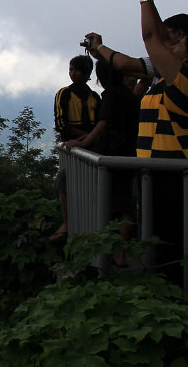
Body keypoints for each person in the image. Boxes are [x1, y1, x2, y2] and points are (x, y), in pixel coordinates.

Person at [85, 0, 188, 304]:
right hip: (161, 171)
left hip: (177, 172)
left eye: (177, 43)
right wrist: (100, 48)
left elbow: (151, 37)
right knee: (174, 240)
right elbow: (151, 45)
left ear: (187, 56)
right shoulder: (171, 78)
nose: (170, 45)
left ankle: (185, 307)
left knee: (175, 242)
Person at [64, 59, 142, 265]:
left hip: (112, 154)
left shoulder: (110, 95)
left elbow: (102, 124)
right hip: (130, 153)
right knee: (126, 202)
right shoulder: (130, 96)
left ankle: (111, 252)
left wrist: (83, 142)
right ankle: (120, 251)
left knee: (111, 200)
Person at [51, 54, 101, 241]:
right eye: (71, 69)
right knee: (66, 183)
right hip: (76, 148)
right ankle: (69, 223)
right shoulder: (64, 94)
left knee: (84, 187)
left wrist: (83, 139)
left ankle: (78, 226)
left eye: (76, 70)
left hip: (86, 148)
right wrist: (88, 137)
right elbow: (61, 125)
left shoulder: (94, 98)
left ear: (86, 73)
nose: (72, 73)